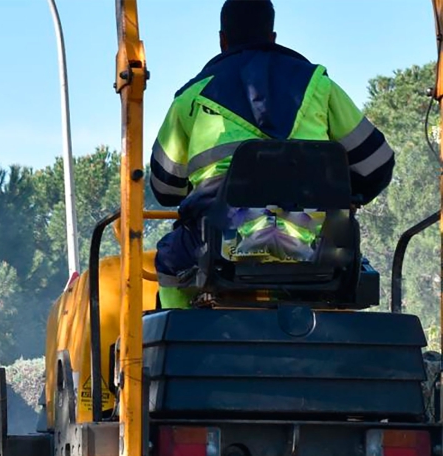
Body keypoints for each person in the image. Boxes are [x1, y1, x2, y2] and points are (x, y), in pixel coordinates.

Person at [150, 0, 395, 308]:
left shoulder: (191, 98)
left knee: (170, 259)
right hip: (314, 243)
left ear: (222, 40)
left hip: (222, 246)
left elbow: (165, 188)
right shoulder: (318, 84)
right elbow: (377, 165)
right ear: (272, 37)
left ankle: (178, 342)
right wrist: (342, 198)